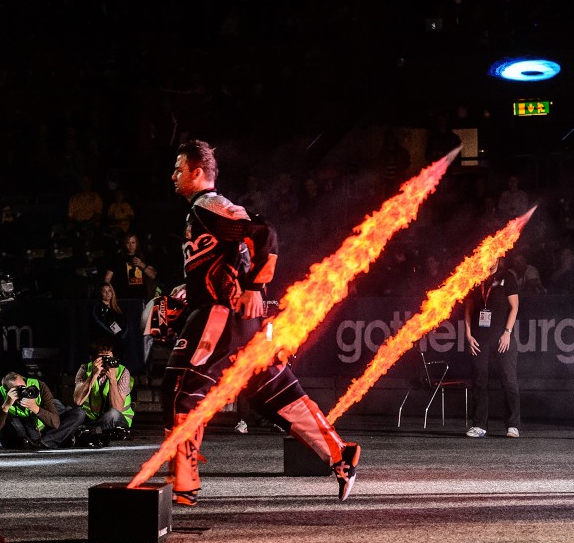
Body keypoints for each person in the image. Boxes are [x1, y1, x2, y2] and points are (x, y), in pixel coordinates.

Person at [164, 139, 360, 506]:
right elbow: (224, 261)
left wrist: (255, 286)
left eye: (178, 169)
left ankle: (183, 483)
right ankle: (340, 454)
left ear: (196, 173)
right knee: (274, 395)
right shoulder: (201, 212)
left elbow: (264, 231)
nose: (172, 176)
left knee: (181, 387)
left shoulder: (209, 205)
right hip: (238, 322)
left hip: (223, 317)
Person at [462, 256, 522, 438]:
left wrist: (507, 332)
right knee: (479, 380)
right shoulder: (476, 279)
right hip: (480, 338)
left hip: (502, 337)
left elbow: (515, 307)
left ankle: (513, 425)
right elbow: (468, 308)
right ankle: (479, 425)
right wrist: (468, 334)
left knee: (509, 380)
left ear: (498, 258)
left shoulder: (507, 278)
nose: (490, 260)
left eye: (493, 257)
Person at [0, 372, 86, 450]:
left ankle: (43, 443)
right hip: (17, 428)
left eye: (23, 387)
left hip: (39, 427)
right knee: (16, 429)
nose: (23, 392)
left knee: (78, 413)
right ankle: (53, 440)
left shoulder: (39, 386)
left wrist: (35, 408)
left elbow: (55, 423)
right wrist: (6, 405)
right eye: (17, 390)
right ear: (7, 391)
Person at [72, 340, 134, 442]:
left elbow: (117, 408)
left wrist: (113, 380)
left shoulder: (123, 372)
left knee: (113, 413)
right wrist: (93, 375)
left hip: (117, 419)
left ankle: (86, 430)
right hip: (92, 418)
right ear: (92, 359)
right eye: (102, 358)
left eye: (109, 357)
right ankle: (95, 430)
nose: (107, 362)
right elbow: (78, 401)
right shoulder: (84, 369)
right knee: (77, 413)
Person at [103, 232, 157, 300]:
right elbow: (107, 279)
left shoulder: (143, 256)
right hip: (123, 298)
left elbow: (153, 275)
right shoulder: (117, 258)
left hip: (141, 297)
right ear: (125, 244)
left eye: (133, 242)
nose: (130, 245)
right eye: (128, 243)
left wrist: (141, 264)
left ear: (137, 243)